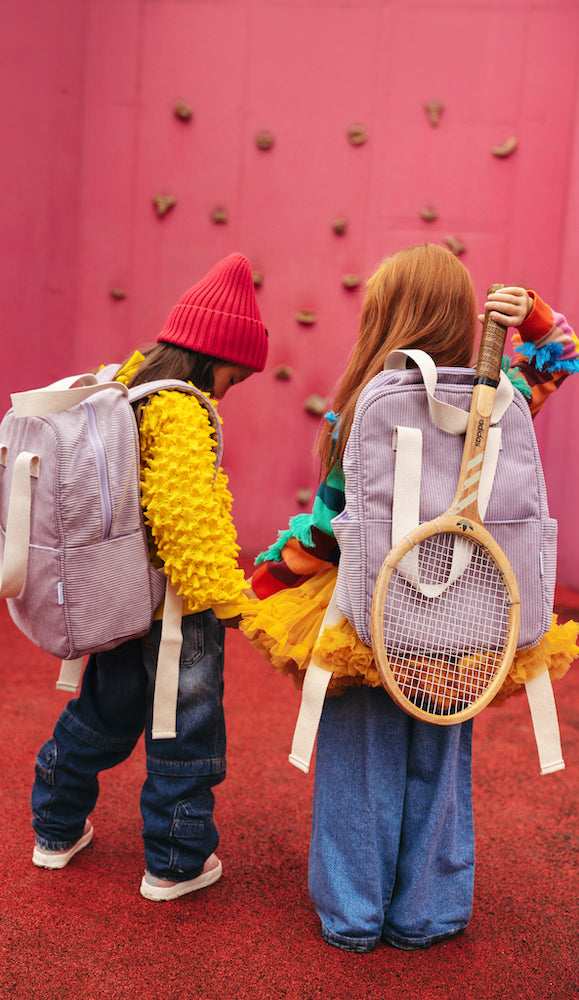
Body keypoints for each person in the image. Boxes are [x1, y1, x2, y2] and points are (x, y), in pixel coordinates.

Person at [241, 243, 578, 951]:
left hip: (376, 620)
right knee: (439, 763)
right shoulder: (499, 396)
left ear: (385, 322)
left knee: (359, 766)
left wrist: (267, 575)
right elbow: (563, 356)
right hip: (468, 622)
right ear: (460, 319)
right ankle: (429, 912)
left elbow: (329, 529)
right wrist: (537, 319)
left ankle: (354, 914)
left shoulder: (363, 410)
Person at [31, 251, 268, 901]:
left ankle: (54, 827)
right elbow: (186, 516)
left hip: (115, 594)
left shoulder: (123, 386)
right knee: (185, 729)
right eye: (232, 377)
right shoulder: (181, 409)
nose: (228, 391)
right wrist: (226, 600)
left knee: (102, 713)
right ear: (211, 358)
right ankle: (174, 861)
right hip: (176, 606)